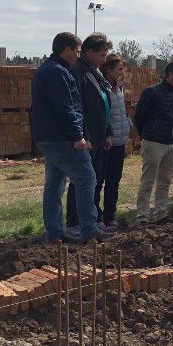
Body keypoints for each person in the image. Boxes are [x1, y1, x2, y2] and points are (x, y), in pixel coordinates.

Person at [31, 32, 109, 243]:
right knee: (86, 178)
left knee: (55, 184)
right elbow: (66, 108)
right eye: (76, 50)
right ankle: (88, 230)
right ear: (67, 50)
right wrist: (78, 136)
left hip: (47, 137)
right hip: (63, 138)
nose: (78, 54)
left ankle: (54, 233)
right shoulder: (59, 73)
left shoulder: (47, 69)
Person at [65, 32, 114, 239]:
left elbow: (104, 103)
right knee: (82, 180)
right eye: (102, 55)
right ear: (90, 51)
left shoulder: (94, 71)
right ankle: (75, 222)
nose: (104, 60)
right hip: (88, 137)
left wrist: (108, 133)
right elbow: (80, 107)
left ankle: (92, 219)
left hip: (99, 135)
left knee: (94, 180)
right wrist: (86, 136)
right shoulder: (78, 70)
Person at [134, 62, 173, 225]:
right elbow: (139, 117)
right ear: (171, 74)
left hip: (172, 144)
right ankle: (143, 217)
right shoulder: (151, 92)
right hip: (153, 143)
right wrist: (144, 136)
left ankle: (160, 214)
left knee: (165, 180)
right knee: (148, 181)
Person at [94, 54, 132, 228]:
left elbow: (121, 111)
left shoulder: (120, 87)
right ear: (108, 69)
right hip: (107, 142)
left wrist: (128, 124)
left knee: (114, 180)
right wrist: (107, 135)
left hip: (120, 141)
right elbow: (103, 115)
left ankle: (110, 215)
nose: (121, 72)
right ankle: (96, 216)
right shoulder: (102, 88)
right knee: (99, 180)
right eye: (119, 69)